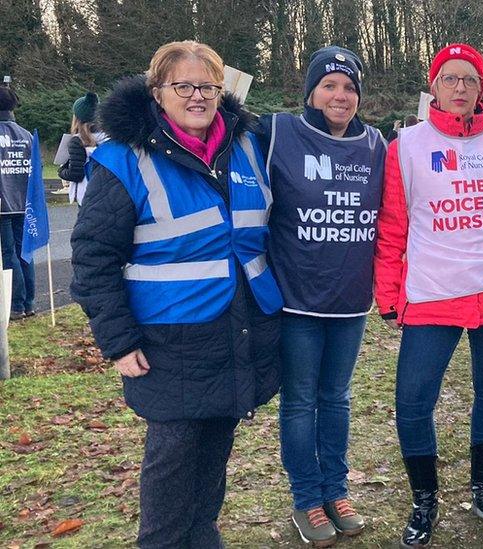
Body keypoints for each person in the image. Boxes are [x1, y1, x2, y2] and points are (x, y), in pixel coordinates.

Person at [70, 40, 282, 548]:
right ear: (157, 91)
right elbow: (93, 257)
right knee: (171, 464)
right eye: (182, 85)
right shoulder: (124, 160)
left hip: (236, 329)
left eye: (207, 85)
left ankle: (203, 536)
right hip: (167, 341)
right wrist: (117, 342)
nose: (196, 96)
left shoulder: (246, 146)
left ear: (221, 90)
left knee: (213, 456)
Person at [374, 43, 483, 548]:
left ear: (481, 89)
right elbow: (392, 227)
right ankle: (424, 499)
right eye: (449, 79)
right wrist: (388, 294)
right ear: (433, 85)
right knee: (412, 401)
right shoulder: (406, 146)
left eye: (469, 80)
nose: (459, 88)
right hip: (433, 295)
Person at [255, 45, 385, 547]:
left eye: (349, 87)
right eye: (329, 85)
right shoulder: (278, 132)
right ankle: (307, 498)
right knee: (300, 400)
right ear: (311, 91)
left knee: (337, 398)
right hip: (296, 300)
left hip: (351, 301)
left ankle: (336, 489)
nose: (340, 95)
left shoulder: (376, 145)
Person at [0, 84, 36, 320]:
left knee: (8, 253)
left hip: (3, 203)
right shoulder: (26, 135)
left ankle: (15, 304)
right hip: (25, 202)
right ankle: (29, 302)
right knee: (25, 252)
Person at [58, 92, 107, 205]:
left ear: (77, 118)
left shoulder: (78, 141)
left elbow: (76, 174)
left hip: (86, 196)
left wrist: (61, 171)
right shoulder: (108, 138)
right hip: (106, 193)